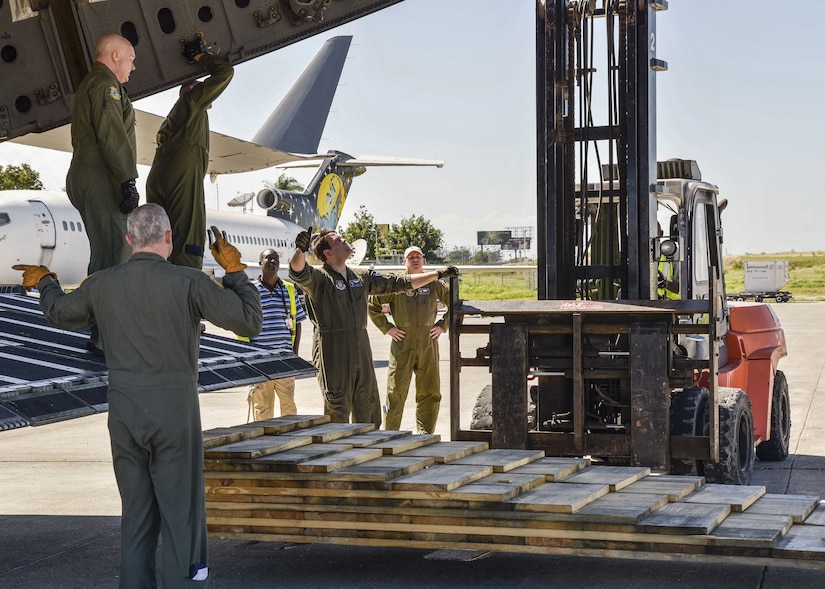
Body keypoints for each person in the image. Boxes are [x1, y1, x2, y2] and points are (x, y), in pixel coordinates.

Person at [14, 204, 262, 587]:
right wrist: (235, 270)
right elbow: (249, 322)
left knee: (136, 518)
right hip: (175, 412)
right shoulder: (189, 282)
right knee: (182, 517)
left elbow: (60, 313)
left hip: (125, 411)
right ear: (169, 238)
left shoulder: (101, 283)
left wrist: (46, 281)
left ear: (129, 240)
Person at [289, 227, 458, 428]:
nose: (344, 240)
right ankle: (340, 454)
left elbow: (399, 283)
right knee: (338, 406)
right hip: (333, 348)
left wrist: (437, 274)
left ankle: (368, 452)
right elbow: (299, 272)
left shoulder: (361, 277)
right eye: (337, 240)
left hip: (361, 346)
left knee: (367, 403)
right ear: (328, 253)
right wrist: (300, 250)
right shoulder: (320, 279)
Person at [66, 33, 139, 355]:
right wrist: (128, 181)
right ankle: (105, 338)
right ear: (114, 57)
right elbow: (111, 133)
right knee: (114, 256)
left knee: (104, 256)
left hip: (89, 175)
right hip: (103, 177)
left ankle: (102, 329)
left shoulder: (94, 84)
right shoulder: (105, 85)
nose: (133, 67)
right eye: (131, 59)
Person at [146, 44, 234, 269]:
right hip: (181, 179)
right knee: (188, 242)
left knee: (158, 239)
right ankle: (185, 282)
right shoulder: (193, 102)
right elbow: (225, 72)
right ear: (195, 89)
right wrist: (199, 55)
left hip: (160, 178)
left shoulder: (175, 117)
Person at [368, 245, 450, 434]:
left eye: (418, 257)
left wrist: (442, 325)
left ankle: (425, 435)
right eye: (410, 257)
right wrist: (387, 328)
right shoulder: (398, 283)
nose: (415, 260)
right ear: (404, 261)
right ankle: (390, 435)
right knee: (395, 392)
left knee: (430, 392)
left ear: (423, 261)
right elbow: (373, 304)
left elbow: (455, 303)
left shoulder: (434, 283)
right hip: (402, 344)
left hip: (428, 344)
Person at [246, 248, 307, 420]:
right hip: (260, 360)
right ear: (260, 263)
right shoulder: (250, 291)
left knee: (288, 405)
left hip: (284, 359)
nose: (273, 262)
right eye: (268, 258)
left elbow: (297, 322)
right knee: (262, 408)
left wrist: (294, 353)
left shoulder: (289, 289)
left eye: (275, 259)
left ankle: (290, 441)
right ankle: (265, 442)